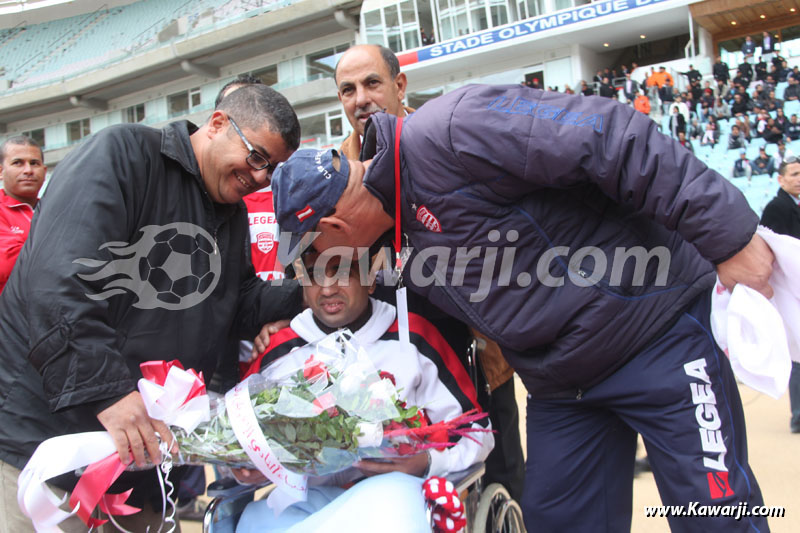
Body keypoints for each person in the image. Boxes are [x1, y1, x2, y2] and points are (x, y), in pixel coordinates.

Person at [272, 83, 773, 532]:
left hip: (654, 334)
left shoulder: (450, 129)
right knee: (558, 523)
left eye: (316, 254)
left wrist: (730, 236)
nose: (326, 268)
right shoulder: (396, 239)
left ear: (335, 231)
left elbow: (610, 133)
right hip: (562, 387)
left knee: (714, 516)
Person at [0, 85, 305, 532]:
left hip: (144, 468)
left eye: (273, 170)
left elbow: (233, 303)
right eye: (258, 158)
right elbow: (59, 281)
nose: (261, 177)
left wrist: (307, 293)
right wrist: (106, 391)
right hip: (45, 451)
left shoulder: (232, 213)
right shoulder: (122, 156)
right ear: (218, 123)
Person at [333, 44, 525, 500]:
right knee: (397, 489)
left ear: (399, 86)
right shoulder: (335, 172)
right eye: (347, 89)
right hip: (386, 372)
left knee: (502, 479)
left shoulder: (450, 145)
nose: (360, 98)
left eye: (372, 83)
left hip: (474, 349)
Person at [235, 248, 493, 532]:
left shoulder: (415, 340)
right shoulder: (278, 352)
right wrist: (246, 469)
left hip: (393, 497)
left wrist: (429, 462)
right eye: (314, 274)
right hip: (307, 500)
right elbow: (238, 439)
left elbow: (477, 432)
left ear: (371, 279)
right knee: (251, 521)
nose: (328, 287)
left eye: (343, 271)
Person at [760, 157, 800, 434]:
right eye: (795, 174)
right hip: (790, 290)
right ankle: (798, 415)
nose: (799, 178)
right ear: (781, 179)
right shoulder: (776, 208)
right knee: (798, 356)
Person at [0, 136, 46, 294]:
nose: (28, 170)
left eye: (34, 163)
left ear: (44, 171)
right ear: (0, 171)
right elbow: (6, 264)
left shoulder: (58, 210)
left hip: (56, 313)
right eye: (17, 163)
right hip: (9, 315)